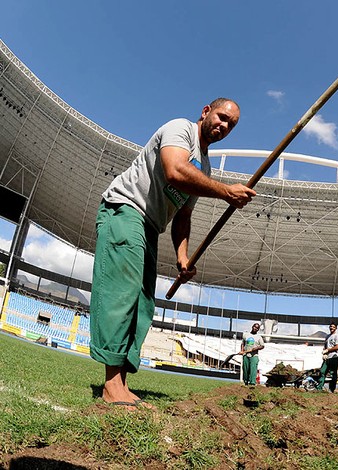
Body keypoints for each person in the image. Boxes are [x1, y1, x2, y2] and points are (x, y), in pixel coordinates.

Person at [90, 98, 256, 408]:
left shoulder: (204, 167)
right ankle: (111, 387)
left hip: (151, 226)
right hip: (125, 210)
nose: (224, 126)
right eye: (222, 117)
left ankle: (121, 383)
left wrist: (183, 256)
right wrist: (225, 192)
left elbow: (182, 216)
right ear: (206, 111)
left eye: (231, 125)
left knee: (142, 304)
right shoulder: (180, 129)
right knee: (122, 293)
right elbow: (174, 172)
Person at [317, 322, 338, 392]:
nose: (332, 328)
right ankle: (319, 387)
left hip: (333, 357)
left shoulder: (337, 336)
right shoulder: (327, 336)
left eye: (333, 327)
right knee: (322, 371)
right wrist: (324, 352)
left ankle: (331, 389)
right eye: (330, 326)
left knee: (333, 374)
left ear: (336, 328)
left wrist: (328, 350)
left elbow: (337, 347)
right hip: (327, 358)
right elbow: (325, 346)